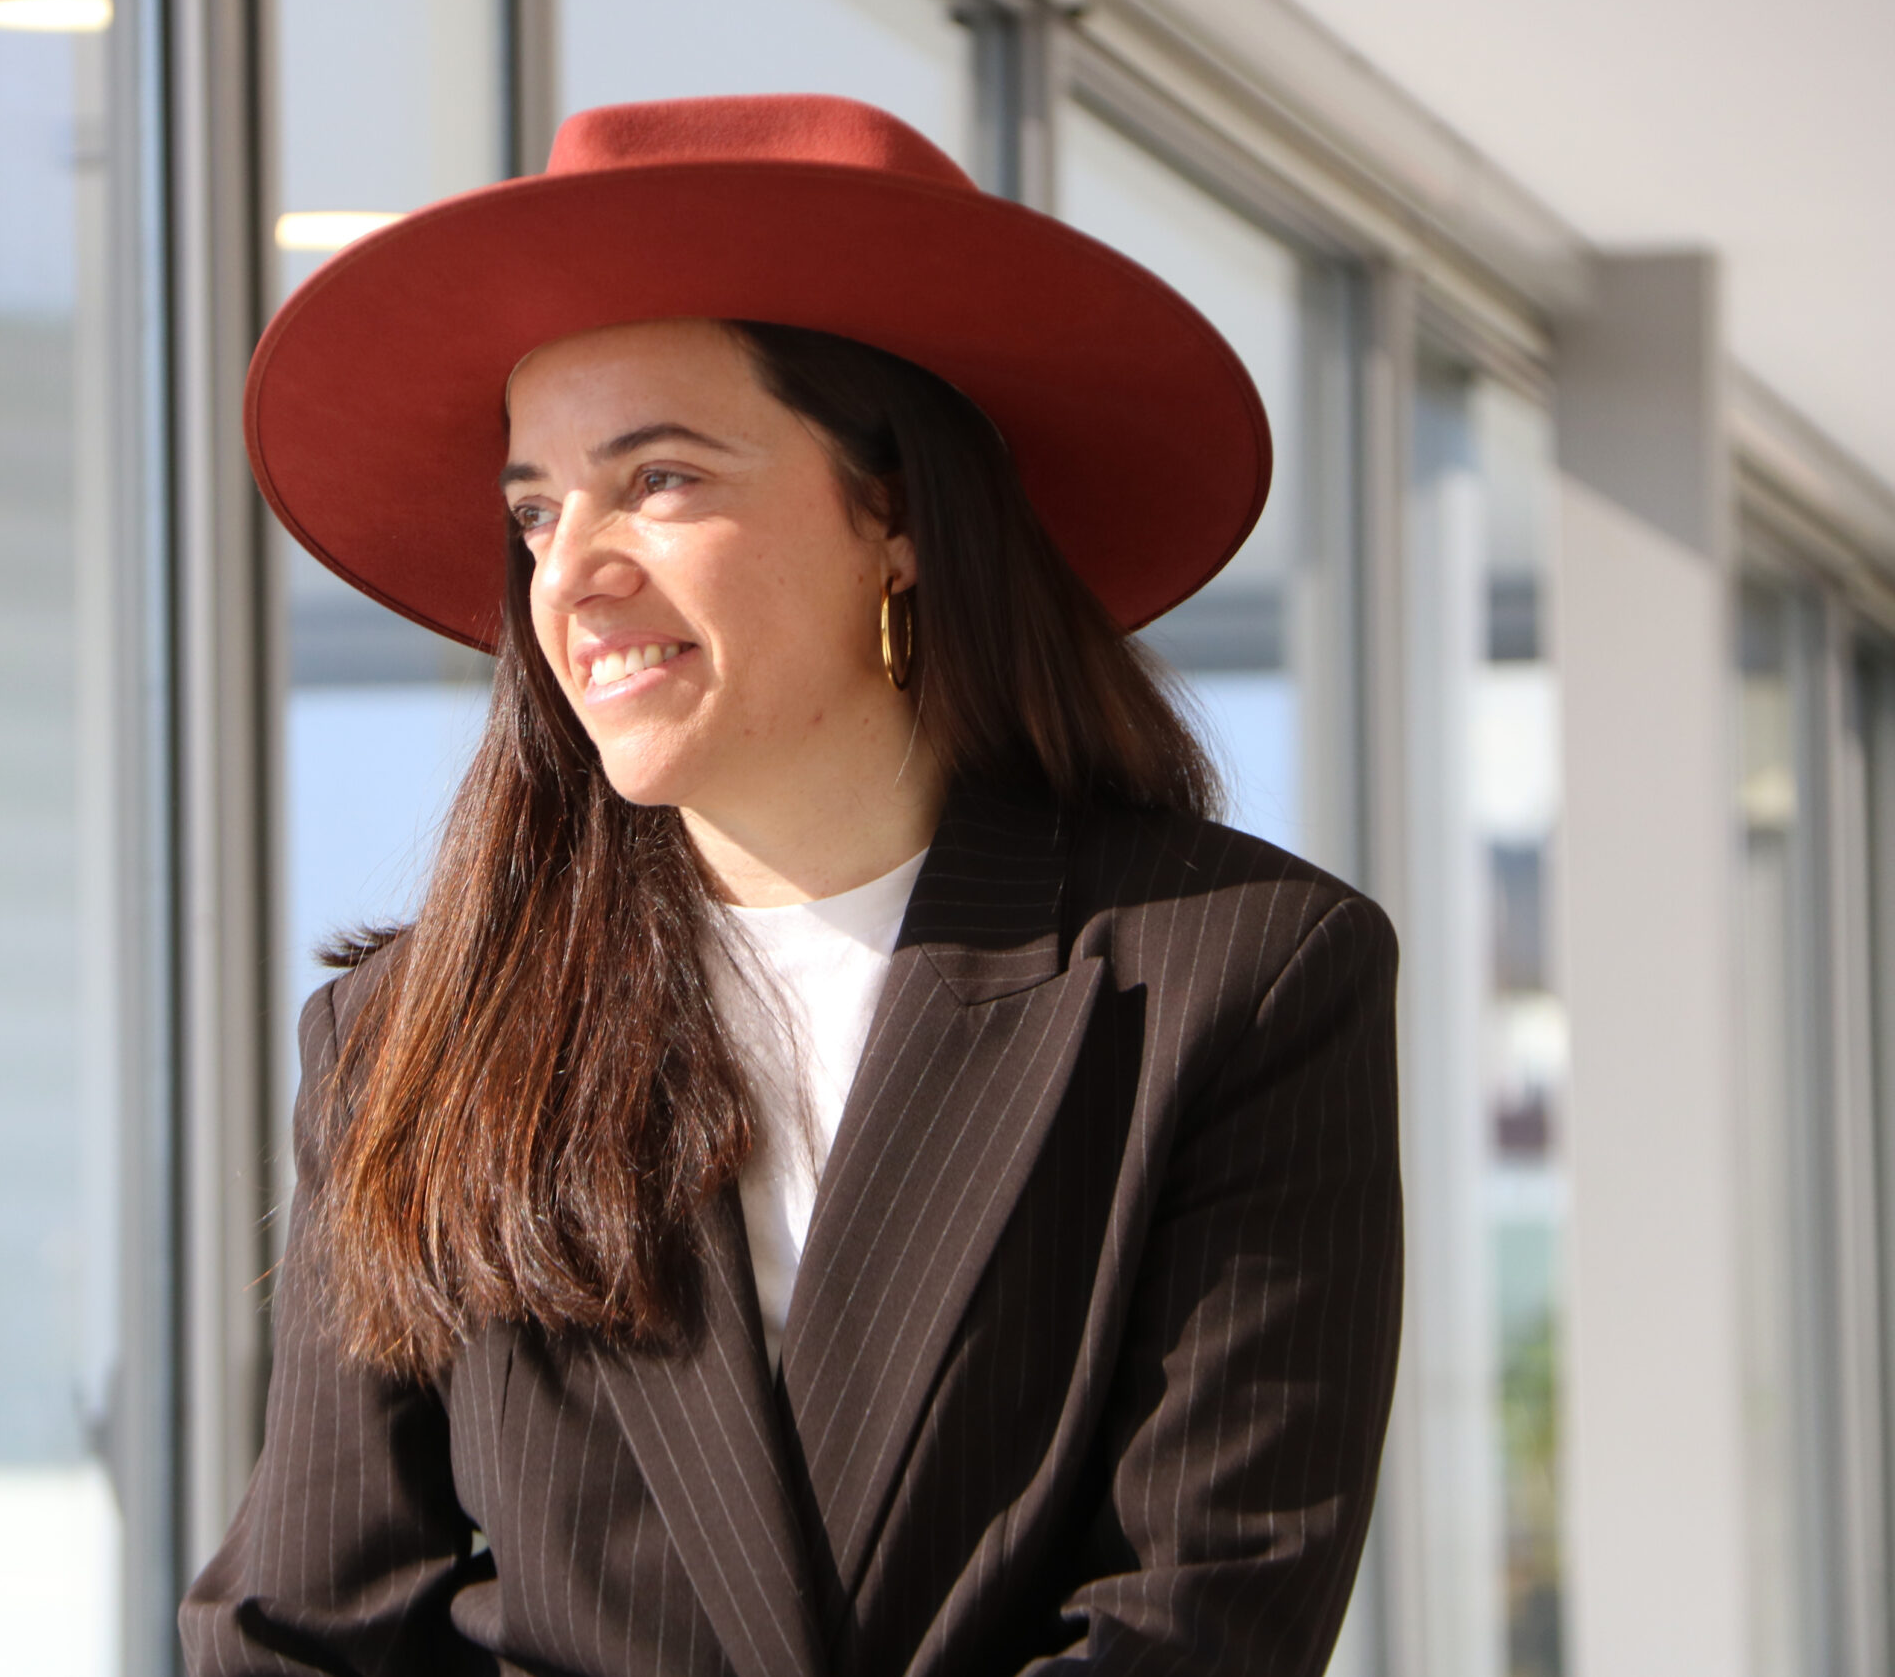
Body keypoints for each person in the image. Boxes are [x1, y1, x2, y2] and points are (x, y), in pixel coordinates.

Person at [183, 93, 1400, 1677]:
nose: (571, 572)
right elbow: (299, 1627)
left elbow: (1203, 1619)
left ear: (895, 510)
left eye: (660, 479)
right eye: (536, 508)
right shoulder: (408, 1035)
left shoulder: (1237, 979)